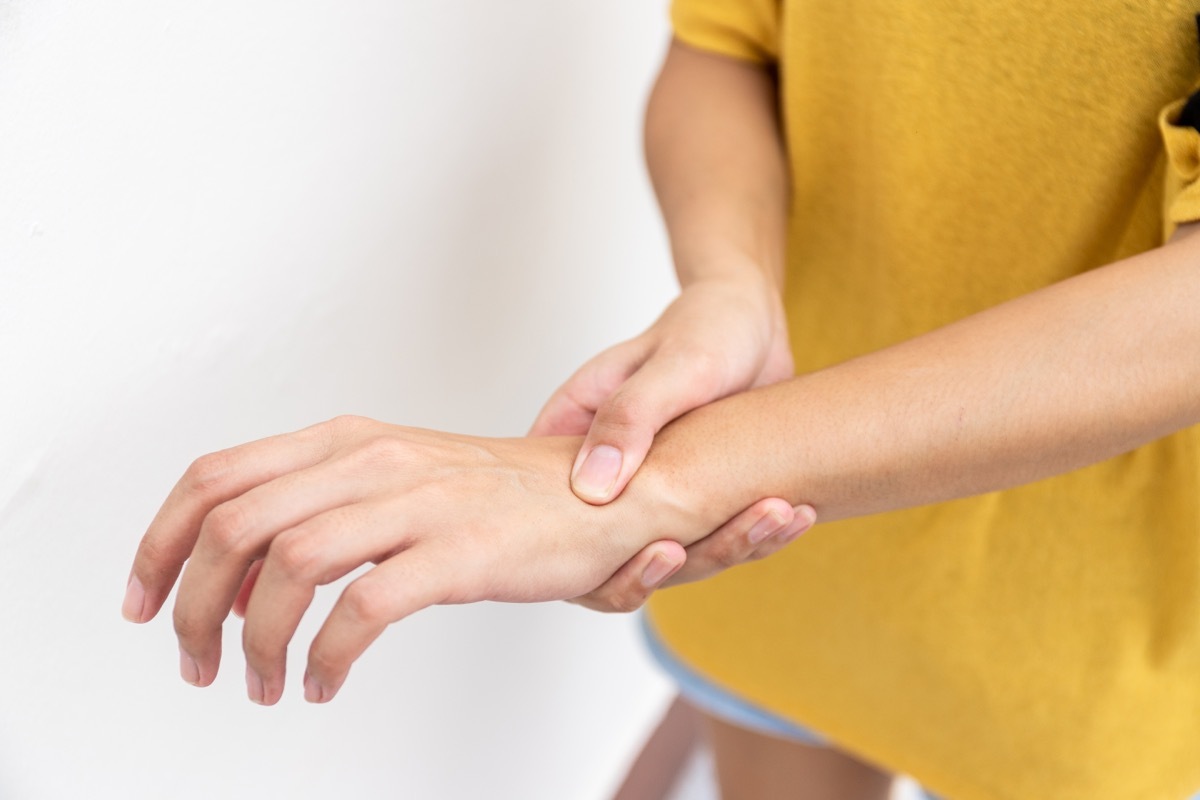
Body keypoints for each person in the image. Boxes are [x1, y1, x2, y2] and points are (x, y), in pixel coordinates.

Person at [123, 2, 1200, 798]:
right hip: (777, 565)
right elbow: (722, 47)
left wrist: (676, 480)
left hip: (1096, 649)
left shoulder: (695, 484)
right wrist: (733, 281)